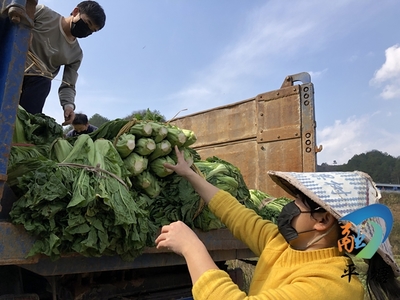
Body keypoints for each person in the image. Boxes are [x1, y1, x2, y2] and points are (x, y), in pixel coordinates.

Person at [155, 146, 400, 300]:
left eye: (298, 202)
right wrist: (190, 174)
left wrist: (192, 247)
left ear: (323, 220)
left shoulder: (334, 286)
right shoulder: (282, 244)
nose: (289, 207)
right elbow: (235, 213)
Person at [20, 1, 106, 125]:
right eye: (87, 24)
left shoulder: (76, 54)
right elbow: (16, 19)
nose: (87, 31)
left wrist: (68, 105)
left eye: (92, 31)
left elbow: (68, 84)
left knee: (42, 84)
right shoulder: (43, 13)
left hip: (36, 85)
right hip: (13, 62)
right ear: (76, 12)